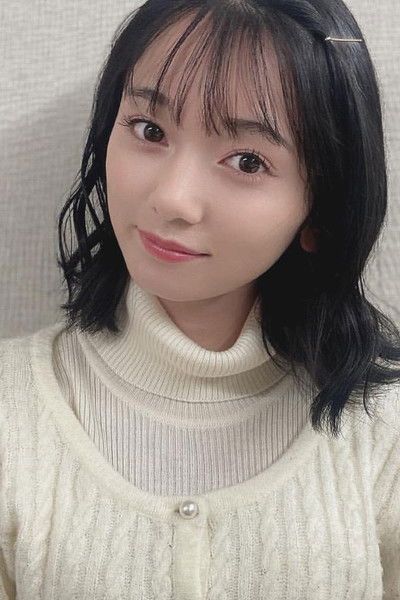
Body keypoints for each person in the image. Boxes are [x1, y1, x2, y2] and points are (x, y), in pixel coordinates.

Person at [1, 0, 400, 597]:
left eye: (247, 161)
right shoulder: (11, 409)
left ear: (321, 208)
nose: (173, 199)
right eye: (150, 130)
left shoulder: (385, 424)